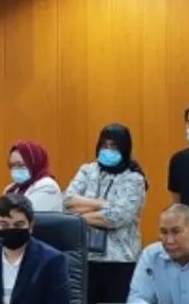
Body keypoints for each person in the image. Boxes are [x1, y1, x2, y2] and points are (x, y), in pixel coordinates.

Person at [63, 123, 147, 304]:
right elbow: (67, 202)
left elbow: (117, 217)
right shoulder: (87, 171)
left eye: (114, 147)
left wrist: (79, 218)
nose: (107, 151)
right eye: (104, 145)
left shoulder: (134, 179)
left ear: (125, 149)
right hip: (85, 257)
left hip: (119, 260)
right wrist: (102, 204)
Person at [0, 194, 70, 304]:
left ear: (31, 226)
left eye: (18, 225)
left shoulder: (52, 261)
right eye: (4, 225)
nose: (11, 229)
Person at [0, 140, 62, 235]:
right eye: (12, 165)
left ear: (33, 163)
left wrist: (3, 224)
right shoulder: (11, 189)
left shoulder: (47, 186)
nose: (15, 169)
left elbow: (23, 219)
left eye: (20, 165)